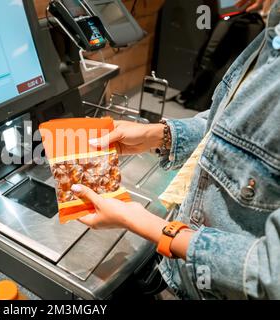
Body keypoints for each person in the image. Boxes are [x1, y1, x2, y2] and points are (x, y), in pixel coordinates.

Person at [72, 0, 280, 299]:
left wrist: (140, 221)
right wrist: (161, 135)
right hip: (184, 277)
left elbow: (271, 273)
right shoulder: (272, 31)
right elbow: (233, 124)